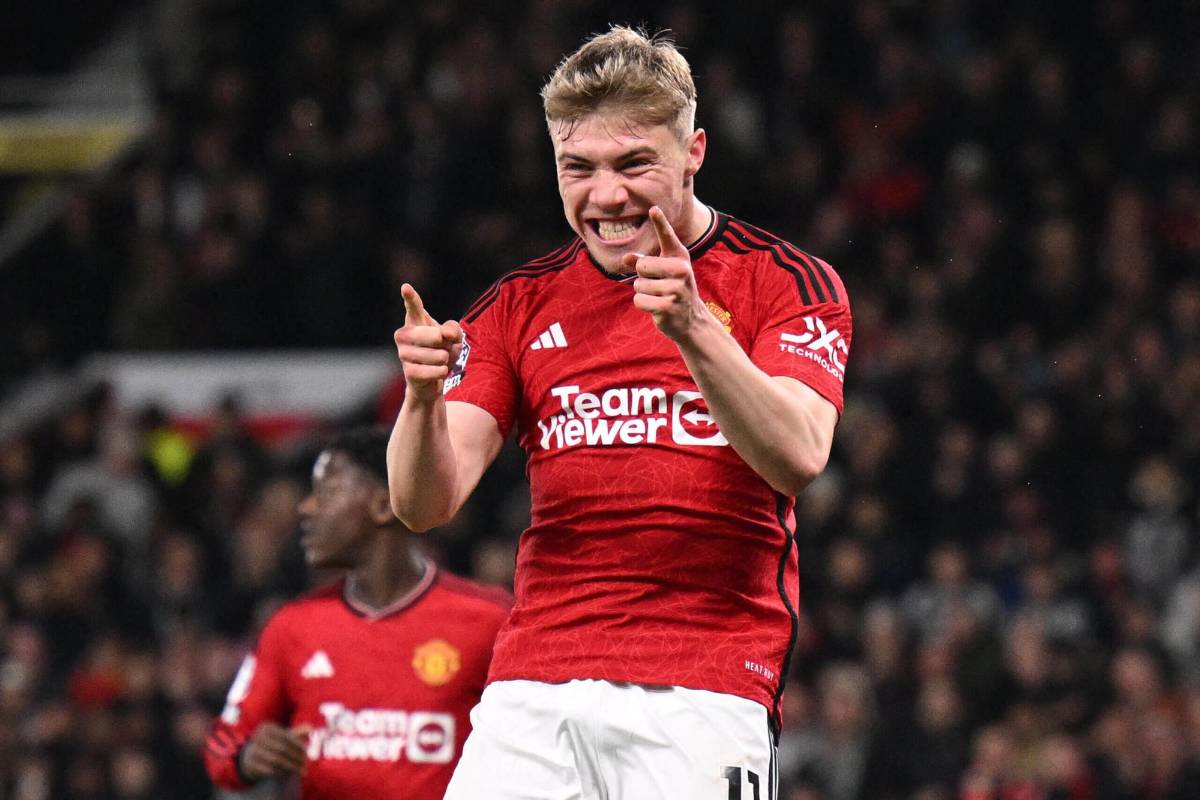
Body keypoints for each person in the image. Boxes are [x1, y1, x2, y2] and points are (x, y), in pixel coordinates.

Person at [388, 26, 852, 799]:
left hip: (704, 685)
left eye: (634, 164)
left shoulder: (784, 282)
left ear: (694, 152)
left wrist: (694, 328)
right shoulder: (517, 304)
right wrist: (422, 400)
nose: (606, 197)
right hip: (532, 689)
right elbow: (422, 505)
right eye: (579, 168)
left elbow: (800, 454)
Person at [203, 428, 511, 798]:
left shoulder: (490, 620)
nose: (306, 508)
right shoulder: (292, 626)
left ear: (383, 505)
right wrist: (247, 757)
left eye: (326, 491)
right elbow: (223, 744)